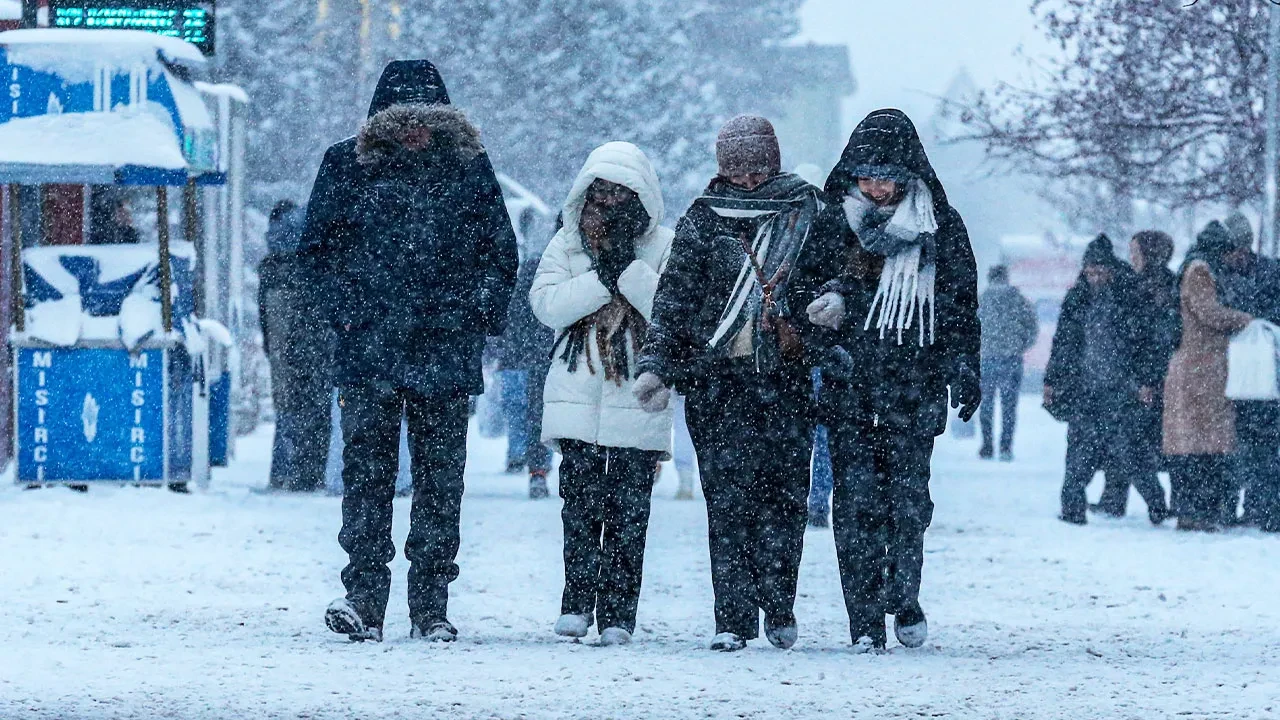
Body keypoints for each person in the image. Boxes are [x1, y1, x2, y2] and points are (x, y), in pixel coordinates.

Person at [302, 60, 519, 643]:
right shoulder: (344, 164)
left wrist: (475, 313)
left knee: (440, 482)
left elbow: (501, 254)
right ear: (384, 124)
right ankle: (364, 599)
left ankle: (431, 606)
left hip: (444, 353)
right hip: (370, 352)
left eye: (427, 122)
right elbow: (316, 256)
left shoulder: (469, 168)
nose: (416, 132)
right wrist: (349, 315)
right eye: (405, 121)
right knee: (367, 479)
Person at [635, 115, 824, 652]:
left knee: (786, 498)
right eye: (735, 168)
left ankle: (780, 602)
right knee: (727, 501)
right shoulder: (702, 218)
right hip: (717, 383)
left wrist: (806, 328)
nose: (745, 179)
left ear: (774, 160)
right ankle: (733, 617)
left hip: (783, 379)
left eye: (756, 167)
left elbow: (826, 280)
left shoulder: (804, 211)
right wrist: (657, 364)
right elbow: (675, 299)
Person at [797, 108, 981, 652]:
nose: (876, 186)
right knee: (854, 503)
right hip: (849, 382)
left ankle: (903, 593)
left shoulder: (940, 225)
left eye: (887, 174)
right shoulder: (832, 221)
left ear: (909, 173)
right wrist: (824, 336)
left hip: (913, 382)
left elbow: (958, 305)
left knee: (908, 501)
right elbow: (799, 294)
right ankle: (863, 619)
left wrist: (963, 365)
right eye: (865, 174)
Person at [530, 142, 674, 647]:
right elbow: (547, 305)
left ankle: (618, 612)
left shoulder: (664, 246)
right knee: (579, 508)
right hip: (577, 389)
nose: (609, 201)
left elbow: (670, 309)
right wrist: (599, 279)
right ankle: (575, 601)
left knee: (630, 514)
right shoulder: (565, 246)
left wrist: (628, 273)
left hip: (638, 390)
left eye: (621, 192)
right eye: (601, 192)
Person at [1044, 235, 1169, 526]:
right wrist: (1053, 379)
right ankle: (1072, 508)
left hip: (1122, 389)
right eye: (1090, 272)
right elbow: (1063, 343)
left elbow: (1146, 344)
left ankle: (1156, 503)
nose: (1094, 277)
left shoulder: (1130, 297)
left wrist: (1144, 381)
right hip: (1087, 387)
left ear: (1110, 269)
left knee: (1131, 452)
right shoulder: (1078, 298)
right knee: (1079, 451)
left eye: (1099, 271)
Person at [1164, 221, 1252, 533]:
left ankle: (1199, 511)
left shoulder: (1196, 266)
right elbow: (1208, 312)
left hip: (1202, 369)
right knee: (1200, 446)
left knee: (1201, 446)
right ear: (1221, 250)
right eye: (1230, 253)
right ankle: (1195, 512)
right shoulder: (1201, 270)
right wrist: (1246, 320)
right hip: (1200, 370)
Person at [1095, 230, 1179, 516]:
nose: (1131, 258)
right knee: (1127, 441)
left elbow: (1154, 340)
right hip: (1139, 378)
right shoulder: (1154, 284)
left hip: (1146, 381)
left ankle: (1156, 502)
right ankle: (1115, 499)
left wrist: (1145, 380)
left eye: (1135, 252)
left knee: (1128, 444)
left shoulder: (1152, 289)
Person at [259, 200, 335, 493]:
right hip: (314, 345)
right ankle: (309, 471)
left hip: (292, 346)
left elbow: (269, 323)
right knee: (315, 407)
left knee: (289, 407)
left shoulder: (273, 267)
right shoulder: (315, 265)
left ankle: (286, 472)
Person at [1218, 213, 1280, 531]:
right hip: (1240, 375)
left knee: (1263, 444)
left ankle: (1264, 509)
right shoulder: (1225, 275)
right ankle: (1245, 507)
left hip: (1263, 375)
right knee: (1240, 444)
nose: (1234, 256)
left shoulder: (1268, 274)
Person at [498, 229, 556, 499]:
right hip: (547, 353)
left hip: (544, 353)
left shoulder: (537, 265)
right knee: (540, 415)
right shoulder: (539, 266)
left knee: (539, 415)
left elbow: (518, 310)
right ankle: (539, 470)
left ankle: (540, 471)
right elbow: (520, 310)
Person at [977, 265, 1038, 461]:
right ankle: (1005, 447)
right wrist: (1020, 345)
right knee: (1009, 406)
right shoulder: (1018, 300)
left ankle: (987, 446)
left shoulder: (981, 300)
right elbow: (1032, 327)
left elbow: (969, 328)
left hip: (986, 359)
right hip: (1011, 358)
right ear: (1006, 277)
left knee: (986, 404)